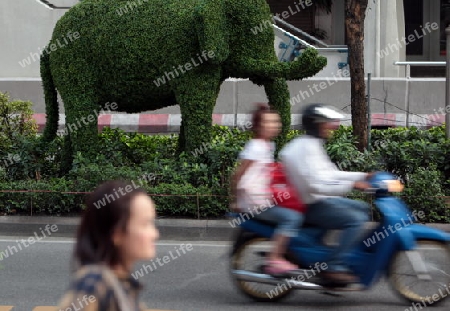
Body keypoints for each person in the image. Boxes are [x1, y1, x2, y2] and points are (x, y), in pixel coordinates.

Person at [280, 103, 372, 283]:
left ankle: (333, 252)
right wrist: (353, 184)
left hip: (319, 200)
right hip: (311, 205)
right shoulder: (304, 148)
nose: (330, 127)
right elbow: (317, 186)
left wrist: (364, 176)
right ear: (315, 124)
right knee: (355, 220)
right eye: (325, 123)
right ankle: (334, 264)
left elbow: (331, 173)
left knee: (362, 208)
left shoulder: (311, 144)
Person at [57, 180, 159, 311]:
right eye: (145, 224)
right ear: (117, 234)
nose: (155, 234)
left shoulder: (122, 286)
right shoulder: (94, 284)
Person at [230, 103, 304, 275]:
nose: (274, 125)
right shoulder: (255, 147)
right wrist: (234, 201)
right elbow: (237, 175)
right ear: (258, 126)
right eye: (268, 122)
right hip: (255, 203)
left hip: (265, 198)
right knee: (292, 218)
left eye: (275, 122)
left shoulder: (267, 146)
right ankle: (275, 258)